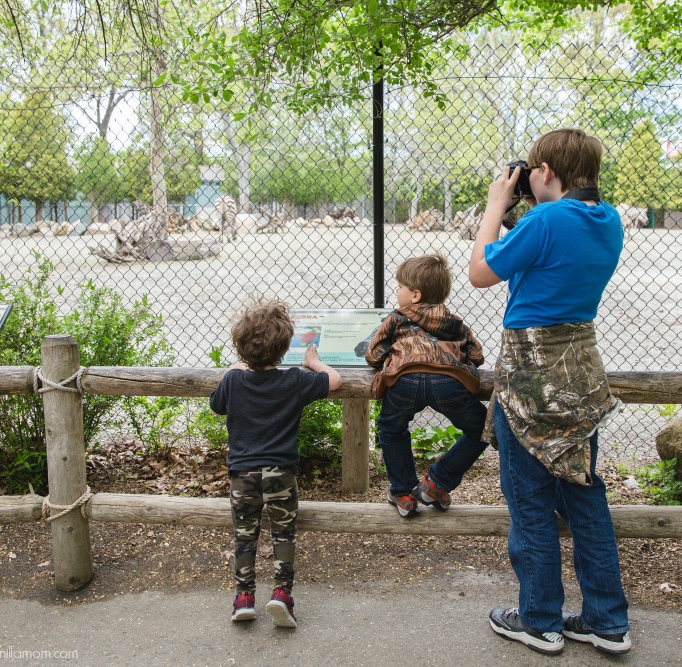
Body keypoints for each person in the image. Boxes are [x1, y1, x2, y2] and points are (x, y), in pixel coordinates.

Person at [468, 129, 631, 656]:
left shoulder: (545, 220)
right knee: (584, 493)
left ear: (545, 173)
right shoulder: (607, 219)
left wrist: (496, 205)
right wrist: (527, 211)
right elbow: (550, 250)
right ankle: (608, 621)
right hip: (580, 371)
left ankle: (539, 620)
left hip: (531, 373)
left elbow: (480, 273)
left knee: (530, 498)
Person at [210, 298, 342, 628]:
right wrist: (315, 362)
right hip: (281, 474)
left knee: (245, 536)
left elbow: (216, 406)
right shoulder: (294, 380)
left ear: (241, 348)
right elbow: (335, 381)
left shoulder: (234, 381)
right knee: (284, 535)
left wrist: (233, 370)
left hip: (242, 476)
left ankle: (244, 598)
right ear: (284, 348)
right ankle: (282, 594)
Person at [364, 254, 488, 518]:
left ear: (415, 295)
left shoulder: (397, 317)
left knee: (391, 428)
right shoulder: (455, 322)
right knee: (482, 428)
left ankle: (403, 492)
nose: (397, 291)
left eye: (400, 286)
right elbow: (477, 356)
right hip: (448, 381)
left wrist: (392, 356)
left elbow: (373, 355)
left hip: (405, 380)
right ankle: (437, 483)